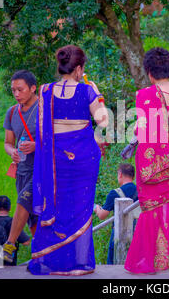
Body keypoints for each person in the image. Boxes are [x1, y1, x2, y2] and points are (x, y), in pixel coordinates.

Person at [28, 45, 108, 276]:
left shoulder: (44, 91)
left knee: (57, 205)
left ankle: (52, 263)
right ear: (79, 68)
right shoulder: (87, 91)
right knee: (81, 208)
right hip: (82, 158)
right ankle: (79, 264)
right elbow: (102, 121)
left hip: (54, 161)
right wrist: (98, 94)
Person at [124, 47, 169, 274]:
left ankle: (149, 259)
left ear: (150, 73)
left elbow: (142, 130)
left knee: (151, 211)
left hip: (149, 166)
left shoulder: (143, 95)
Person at [2, 70, 39, 263]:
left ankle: (9, 243)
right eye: (13, 90)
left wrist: (36, 145)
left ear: (33, 88)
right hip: (21, 170)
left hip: (41, 169)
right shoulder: (12, 112)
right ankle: (41, 253)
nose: (16, 94)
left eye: (20, 89)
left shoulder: (44, 109)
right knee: (32, 217)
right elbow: (8, 142)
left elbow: (57, 139)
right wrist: (12, 152)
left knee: (24, 200)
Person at [94, 163, 138, 265]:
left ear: (120, 174)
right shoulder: (140, 191)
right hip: (137, 231)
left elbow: (102, 216)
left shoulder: (114, 193)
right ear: (133, 176)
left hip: (118, 233)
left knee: (113, 263)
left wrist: (97, 208)